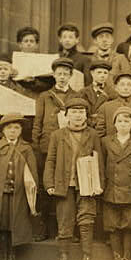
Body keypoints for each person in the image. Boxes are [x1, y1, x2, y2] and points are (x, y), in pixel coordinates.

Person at [44, 98, 104, 260]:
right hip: (64, 184)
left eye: (81, 112)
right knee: (64, 222)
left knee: (86, 221)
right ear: (66, 115)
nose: (78, 115)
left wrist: (98, 184)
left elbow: (99, 160)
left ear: (86, 115)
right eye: (74, 112)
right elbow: (51, 160)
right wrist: (49, 183)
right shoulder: (58, 135)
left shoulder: (92, 135)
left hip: (86, 185)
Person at [32, 57, 82, 242]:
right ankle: (43, 226)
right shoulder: (45, 97)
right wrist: (37, 146)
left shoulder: (76, 96)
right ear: (54, 75)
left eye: (65, 74)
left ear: (70, 76)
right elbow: (38, 122)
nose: (62, 77)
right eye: (59, 73)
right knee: (46, 188)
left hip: (69, 147)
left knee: (70, 188)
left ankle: (71, 228)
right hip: (47, 148)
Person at [0, 113, 38, 260]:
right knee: (2, 224)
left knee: (15, 224)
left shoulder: (26, 149)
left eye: (16, 128)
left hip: (18, 194)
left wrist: (30, 191)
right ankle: (2, 255)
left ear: (21, 130)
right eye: (9, 128)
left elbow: (32, 172)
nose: (12, 131)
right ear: (2, 131)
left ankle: (12, 256)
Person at [101, 106, 131, 260]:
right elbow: (101, 165)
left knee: (129, 226)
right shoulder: (105, 141)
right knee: (113, 226)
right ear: (114, 124)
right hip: (111, 189)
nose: (123, 124)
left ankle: (127, 259)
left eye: (127, 121)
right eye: (119, 121)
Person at [95, 71, 131, 139]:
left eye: (129, 84)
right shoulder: (105, 107)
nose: (126, 88)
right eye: (122, 84)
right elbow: (100, 134)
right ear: (116, 87)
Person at [14, 26, 55, 94]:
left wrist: (34, 81)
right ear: (20, 44)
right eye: (26, 41)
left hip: (36, 96)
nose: (29, 44)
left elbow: (48, 85)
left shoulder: (44, 61)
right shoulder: (12, 61)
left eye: (32, 41)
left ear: (36, 45)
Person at [78, 59, 115, 129]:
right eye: (99, 72)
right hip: (86, 127)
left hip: (105, 128)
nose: (102, 75)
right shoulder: (82, 93)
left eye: (105, 73)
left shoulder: (113, 93)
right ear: (92, 73)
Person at [57, 23, 92, 87]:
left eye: (70, 37)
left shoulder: (84, 60)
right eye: (64, 37)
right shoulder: (55, 58)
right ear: (60, 40)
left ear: (77, 40)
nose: (67, 40)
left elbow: (88, 84)